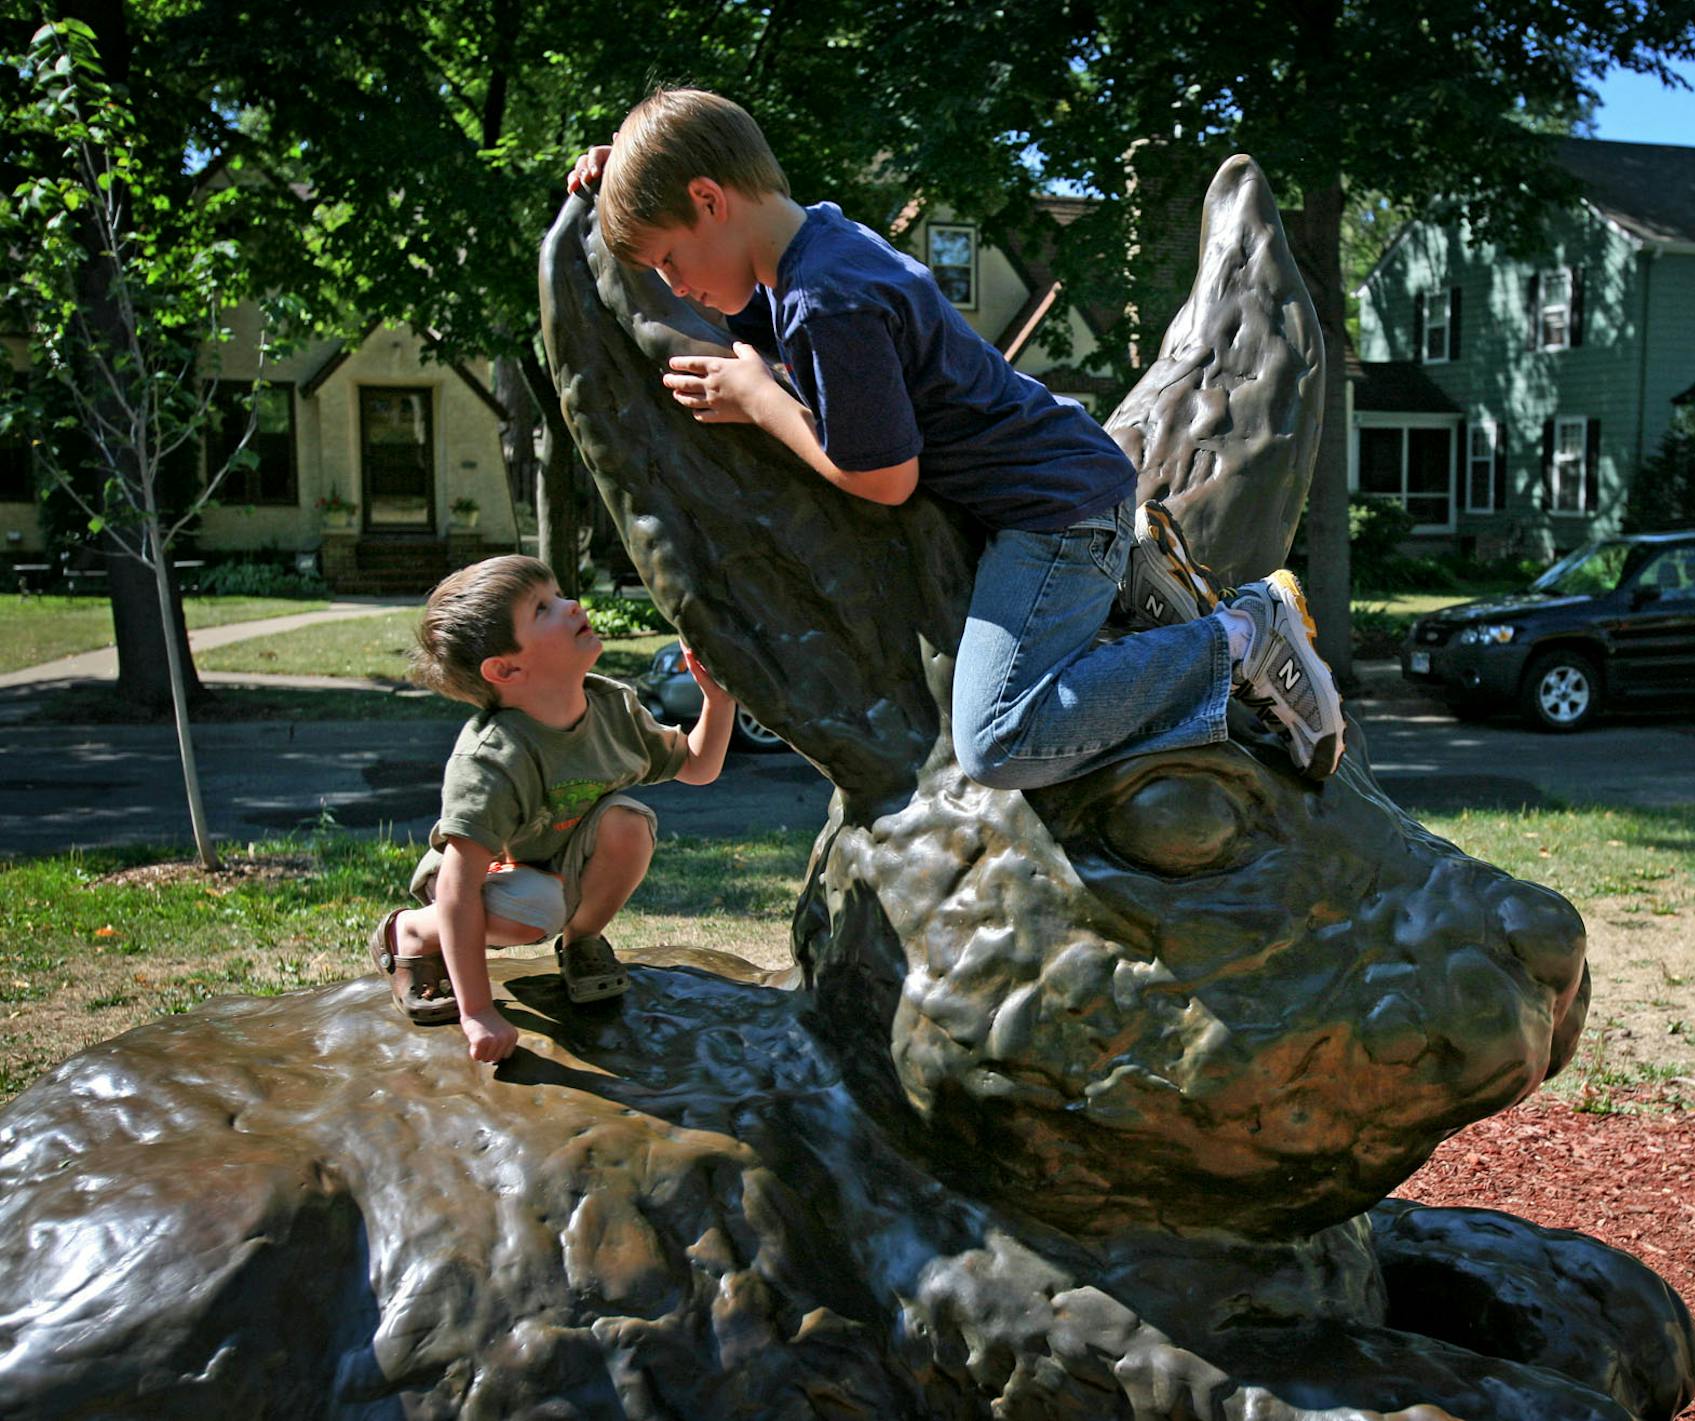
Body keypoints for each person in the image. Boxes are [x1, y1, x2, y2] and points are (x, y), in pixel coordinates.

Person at [564, 87, 1346, 790]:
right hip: (1052, 486)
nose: (673, 286)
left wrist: (763, 400)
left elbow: (884, 478)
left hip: (1054, 515)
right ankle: (1136, 583)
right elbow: (721, 286)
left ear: (708, 199)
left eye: (669, 258)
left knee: (998, 739)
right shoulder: (818, 246)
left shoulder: (823, 300)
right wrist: (626, 179)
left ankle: (1242, 636)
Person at [374, 555, 734, 1063]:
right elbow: (459, 887)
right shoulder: (492, 760)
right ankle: (411, 930)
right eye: (543, 607)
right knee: (536, 909)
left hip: (557, 867)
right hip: (489, 879)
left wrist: (717, 702)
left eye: (560, 593)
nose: (571, 605)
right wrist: (478, 1012)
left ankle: (582, 941)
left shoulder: (610, 708)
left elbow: (696, 766)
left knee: (629, 824)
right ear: (506, 668)